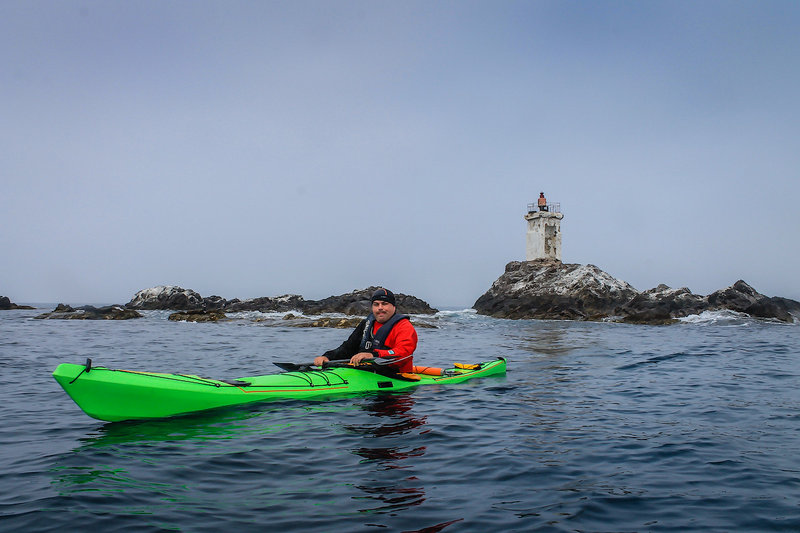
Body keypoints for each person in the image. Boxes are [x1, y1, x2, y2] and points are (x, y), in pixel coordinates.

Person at [313, 288, 418, 373]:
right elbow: (347, 348)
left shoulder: (404, 327)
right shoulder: (367, 324)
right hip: (368, 374)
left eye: (384, 304)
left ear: (393, 307)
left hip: (396, 379)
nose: (380, 308)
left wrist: (373, 355)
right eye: (376, 304)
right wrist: (327, 357)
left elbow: (404, 353)